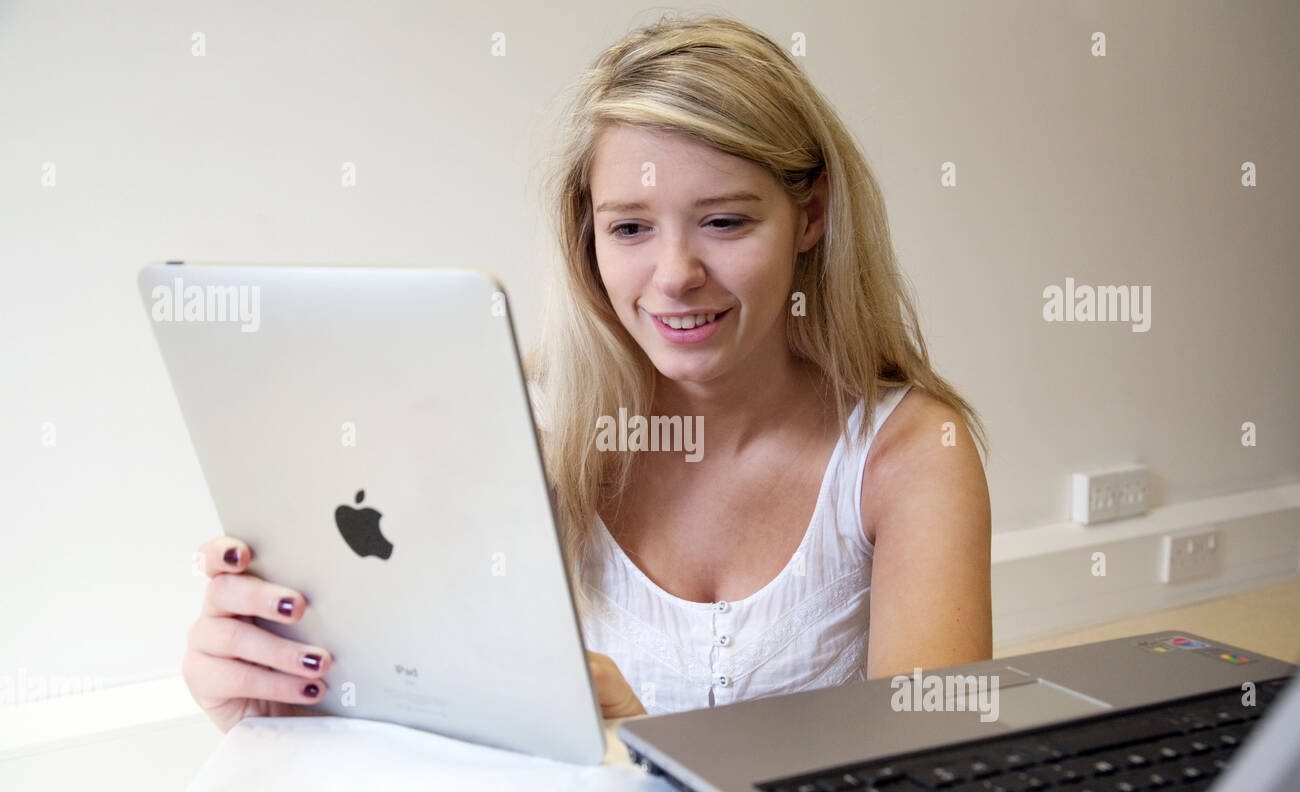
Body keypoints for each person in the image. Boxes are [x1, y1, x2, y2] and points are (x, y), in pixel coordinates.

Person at [184, 14, 992, 734]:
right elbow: (421, 723)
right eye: (631, 226)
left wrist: (655, 752)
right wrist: (271, 702)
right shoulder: (527, 429)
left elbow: (924, 785)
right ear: (588, 235)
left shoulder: (913, 454)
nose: (675, 274)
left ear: (810, 215)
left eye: (724, 220)